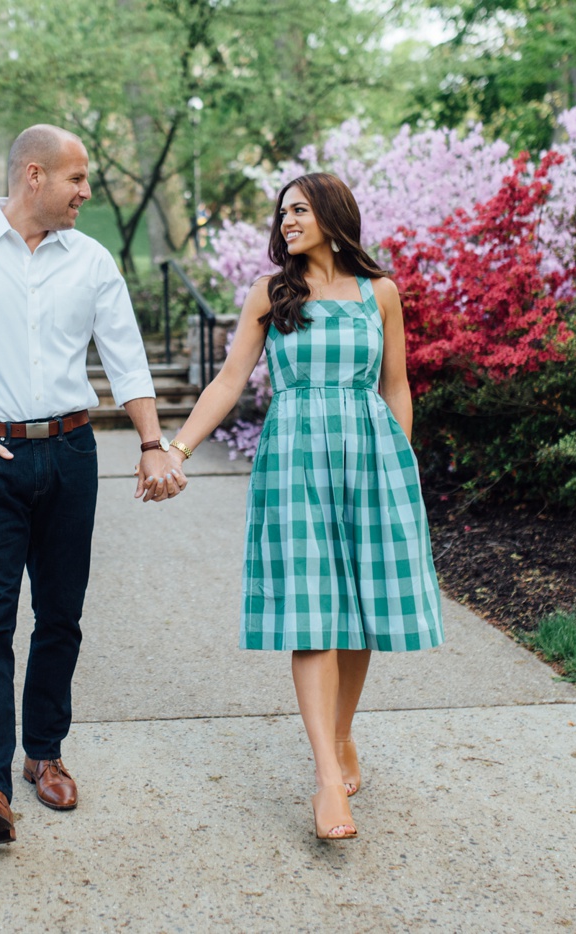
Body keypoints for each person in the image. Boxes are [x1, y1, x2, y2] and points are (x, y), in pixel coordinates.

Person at [0, 125, 181, 847]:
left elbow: (127, 357)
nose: (86, 192)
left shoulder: (89, 261)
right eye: (76, 179)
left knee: (61, 615)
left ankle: (43, 753)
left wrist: (153, 444)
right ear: (34, 175)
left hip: (69, 453)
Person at [154, 172, 444, 840]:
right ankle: (324, 781)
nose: (285, 220)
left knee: (361, 611)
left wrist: (400, 463)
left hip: (372, 461)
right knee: (314, 613)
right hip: (295, 464)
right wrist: (178, 447)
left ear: (333, 215)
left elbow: (397, 386)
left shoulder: (381, 293)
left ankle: (342, 735)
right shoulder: (272, 293)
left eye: (300, 209)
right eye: (281, 212)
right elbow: (229, 381)